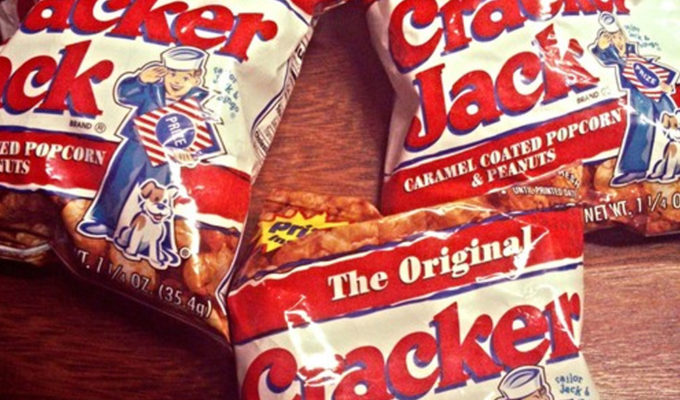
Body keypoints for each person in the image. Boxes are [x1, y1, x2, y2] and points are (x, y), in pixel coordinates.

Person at [78, 46, 213, 247]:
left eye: (185, 78)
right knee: (119, 181)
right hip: (136, 143)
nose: (176, 81)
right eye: (172, 74)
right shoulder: (150, 91)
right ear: (164, 73)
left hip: (165, 155)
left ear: (196, 79)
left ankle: (159, 242)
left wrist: (191, 153)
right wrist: (140, 80)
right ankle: (102, 221)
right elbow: (123, 95)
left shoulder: (196, 103)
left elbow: (202, 136)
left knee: (159, 194)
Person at [592, 12, 678, 186]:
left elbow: (655, 65)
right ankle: (634, 169)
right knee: (640, 128)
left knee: (672, 122)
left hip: (658, 92)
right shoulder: (615, 54)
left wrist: (667, 84)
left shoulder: (636, 47)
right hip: (638, 95)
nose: (618, 41)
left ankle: (671, 166)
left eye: (619, 36)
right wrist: (601, 47)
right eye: (613, 38)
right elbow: (605, 58)